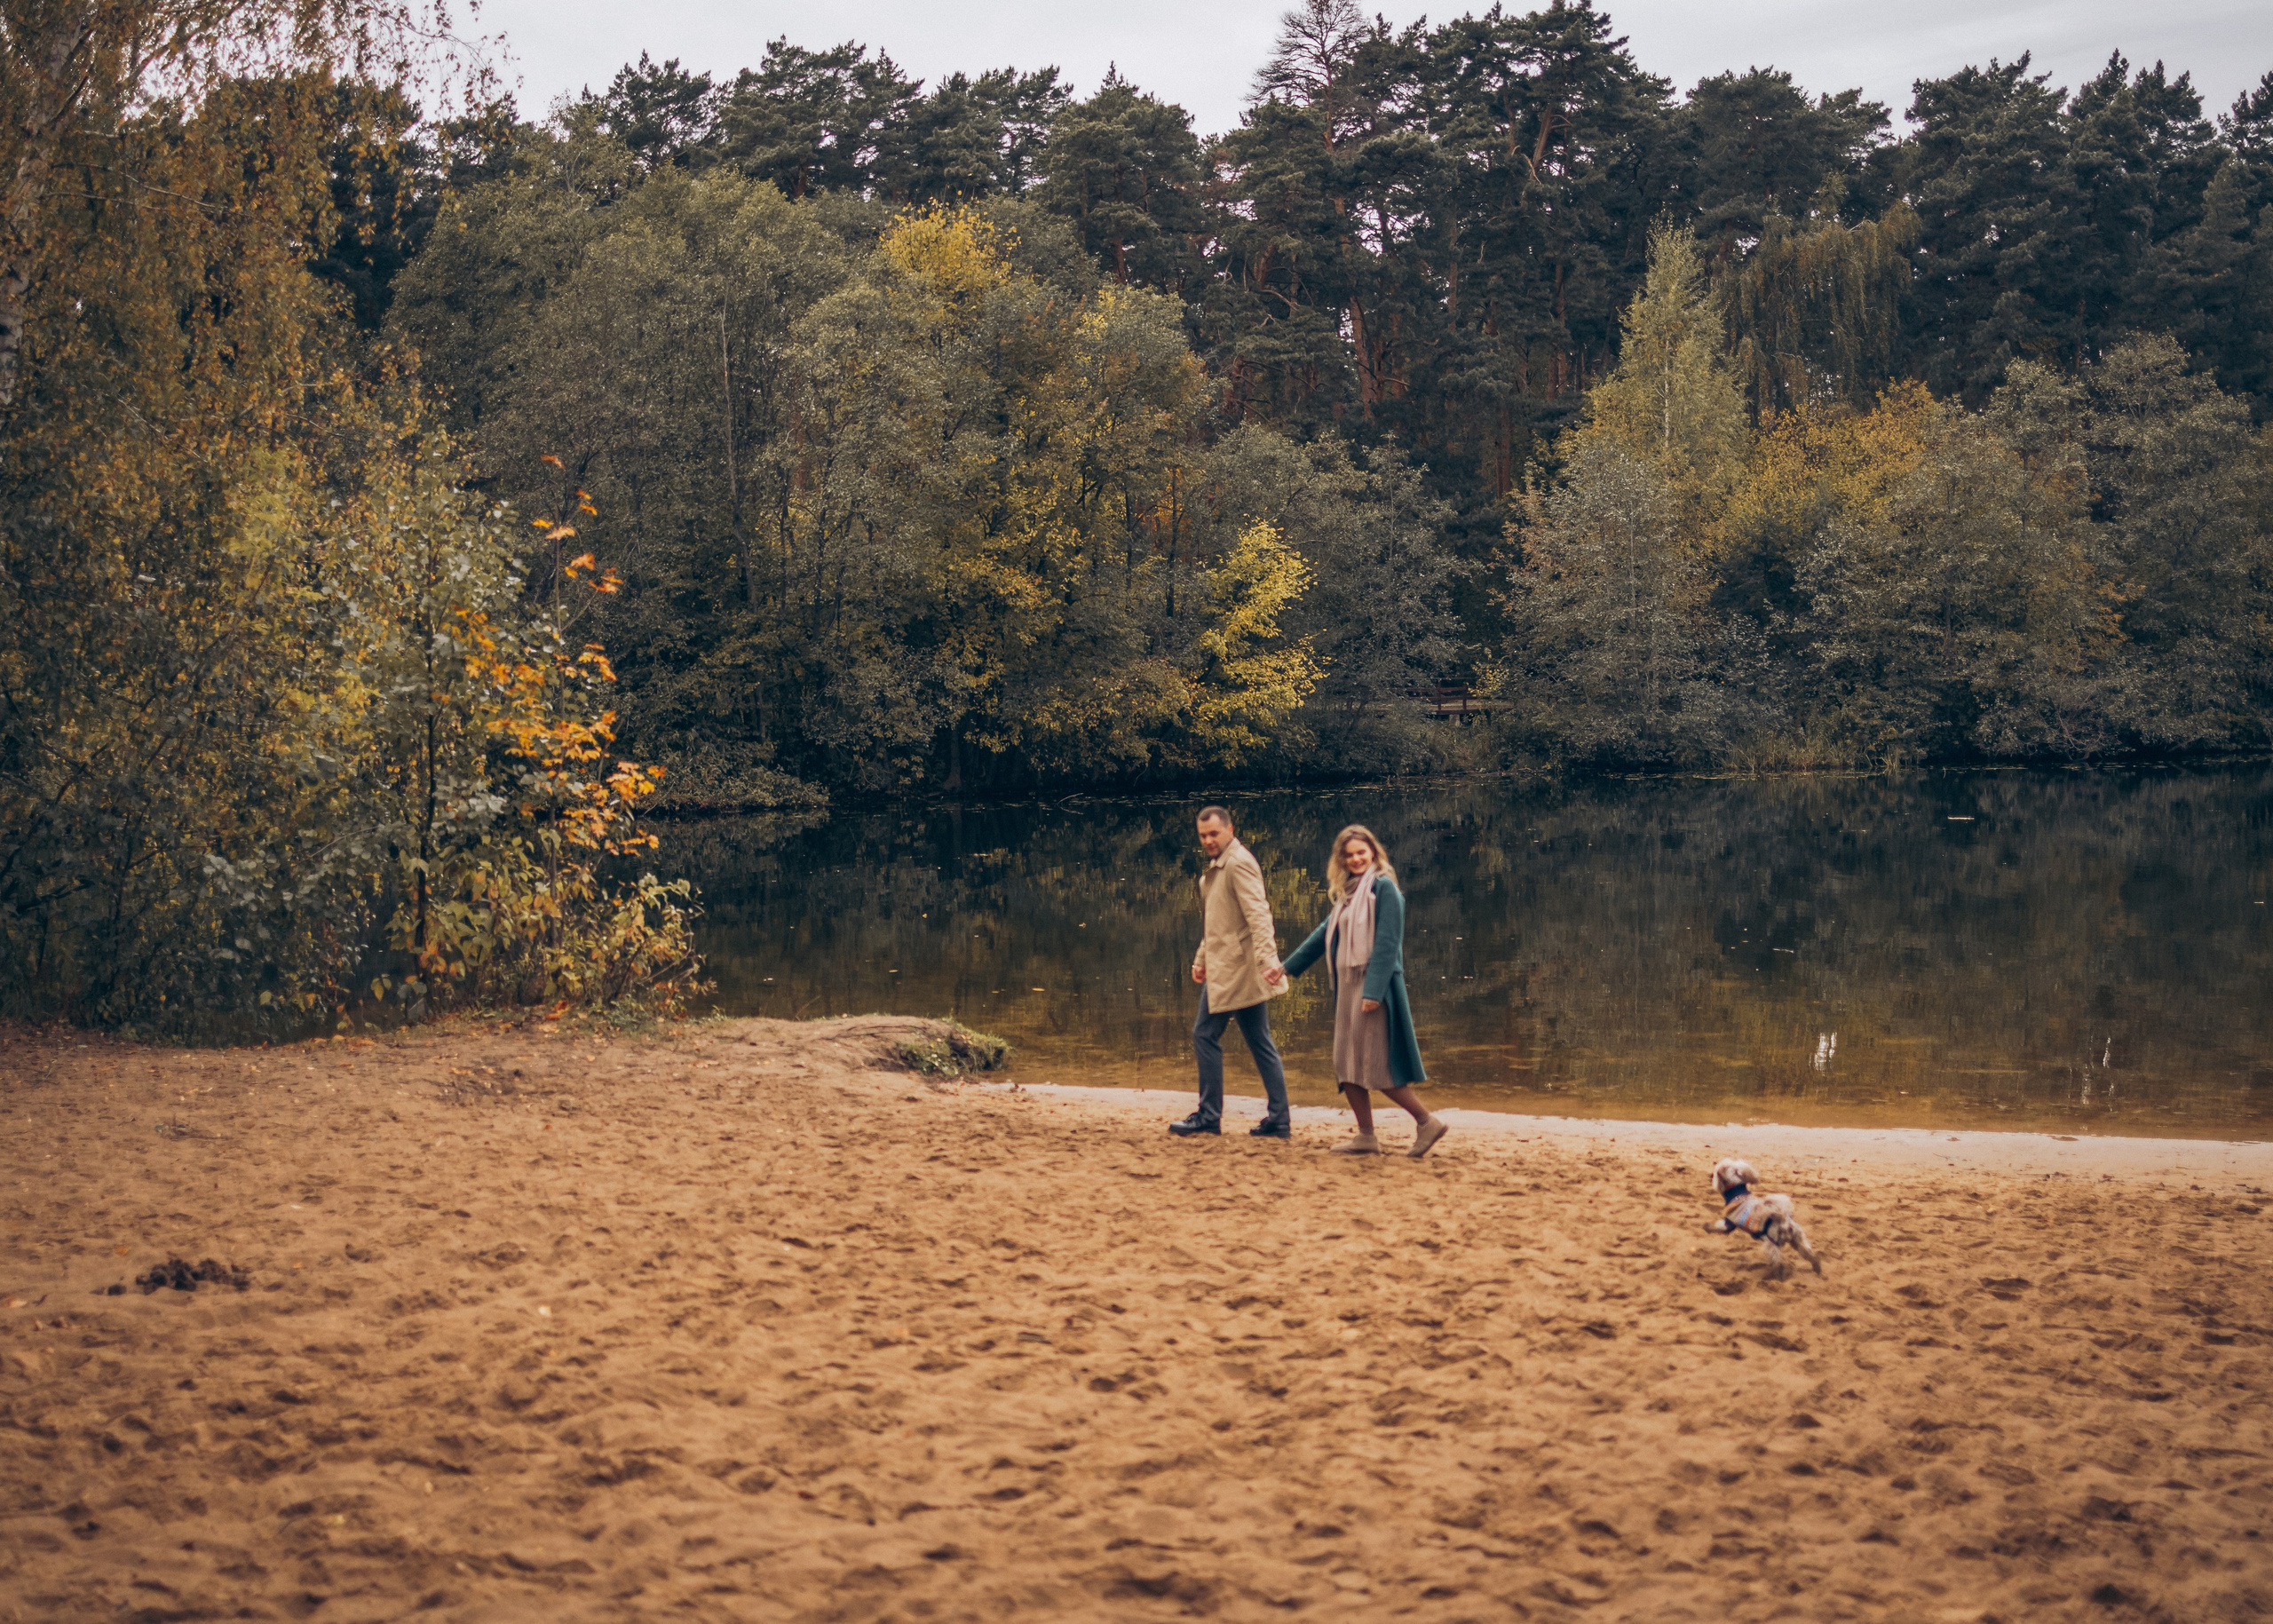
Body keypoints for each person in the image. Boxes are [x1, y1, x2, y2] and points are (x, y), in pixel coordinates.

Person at [1282, 823, 1443, 1158]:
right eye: (1349, 855)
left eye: (1361, 853)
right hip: (1346, 987)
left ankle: (1426, 1122)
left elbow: (1387, 944)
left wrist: (1373, 992)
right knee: (1346, 1065)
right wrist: (1286, 967)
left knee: (1376, 1066)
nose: (1356, 859)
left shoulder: (1384, 890)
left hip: (1374, 990)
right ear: (1341, 859)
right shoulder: (1348, 894)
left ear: (1373, 852)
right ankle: (1366, 1136)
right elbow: (1322, 935)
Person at [1173, 805, 1293, 1139]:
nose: (1209, 841)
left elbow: (1259, 915)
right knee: (1259, 1042)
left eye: (1214, 834)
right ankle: (1279, 1120)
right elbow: (1217, 922)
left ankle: (1209, 1116)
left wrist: (1270, 960)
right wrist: (1201, 959)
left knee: (1204, 1035)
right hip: (1227, 967)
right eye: (1203, 836)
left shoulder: (1238, 863)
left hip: (1237, 970)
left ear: (1230, 829)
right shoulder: (1220, 866)